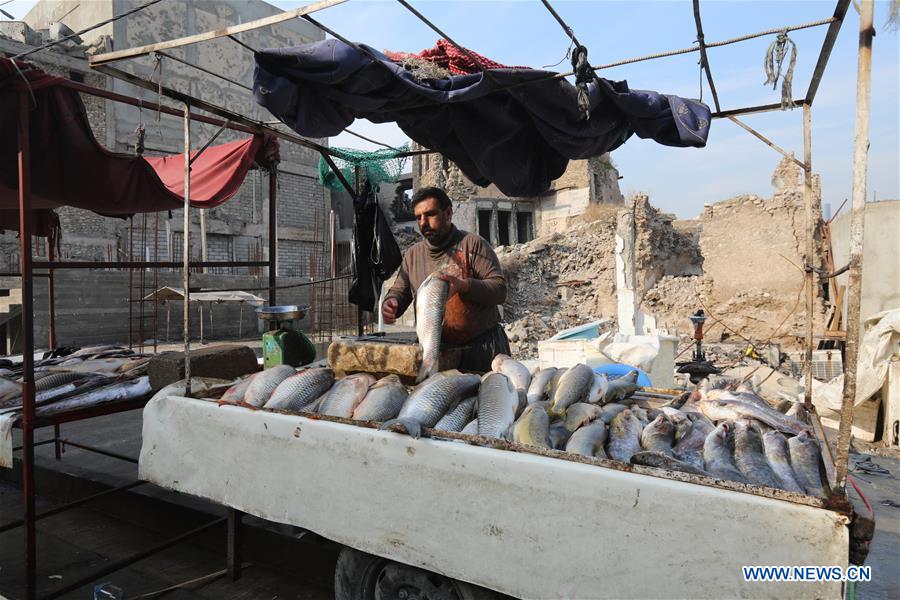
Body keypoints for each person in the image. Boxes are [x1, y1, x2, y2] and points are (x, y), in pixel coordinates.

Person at [382, 186, 510, 373]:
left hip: (482, 350)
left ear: (448, 213)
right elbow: (400, 291)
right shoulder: (413, 255)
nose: (423, 222)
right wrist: (391, 303)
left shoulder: (472, 244)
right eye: (418, 217)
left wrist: (464, 286)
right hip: (439, 351)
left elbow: (499, 290)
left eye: (430, 214)